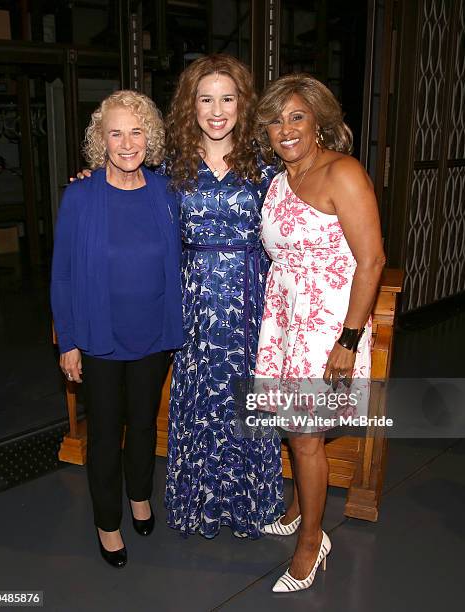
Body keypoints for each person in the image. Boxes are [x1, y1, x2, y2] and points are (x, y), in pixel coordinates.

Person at [253, 74, 385, 591]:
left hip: (328, 326)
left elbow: (372, 261)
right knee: (297, 431)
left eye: (296, 116)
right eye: (274, 120)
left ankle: (312, 540)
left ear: (319, 122)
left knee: (305, 437)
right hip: (286, 321)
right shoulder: (279, 178)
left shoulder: (343, 173)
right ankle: (296, 508)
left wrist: (348, 340)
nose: (285, 128)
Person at [51, 90, 183, 568]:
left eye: (136, 131)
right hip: (100, 338)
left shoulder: (168, 192)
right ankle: (108, 523)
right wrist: (68, 341)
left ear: (150, 136)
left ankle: (141, 496)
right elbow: (62, 274)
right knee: (105, 433)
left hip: (154, 336)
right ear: (99, 140)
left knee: (145, 424)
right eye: (115, 132)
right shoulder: (81, 194)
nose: (127, 143)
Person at [163, 54, 284, 538]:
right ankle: (198, 503)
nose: (217, 110)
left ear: (243, 104)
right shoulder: (169, 166)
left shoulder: (268, 165)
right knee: (197, 401)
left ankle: (250, 504)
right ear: (189, 105)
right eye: (206, 98)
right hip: (192, 303)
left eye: (228, 98)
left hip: (251, 302)